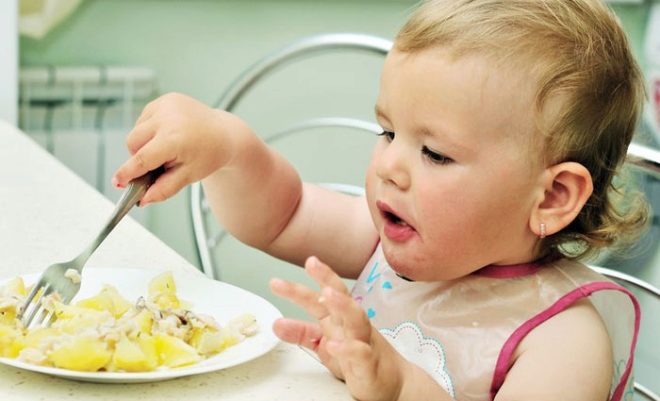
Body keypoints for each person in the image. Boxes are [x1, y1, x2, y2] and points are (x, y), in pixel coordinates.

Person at [112, 0, 649, 400]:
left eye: (435, 154)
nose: (389, 166)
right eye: (388, 133)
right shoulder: (389, 248)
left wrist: (400, 386)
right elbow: (282, 215)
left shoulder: (563, 341)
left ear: (553, 195)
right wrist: (227, 144)